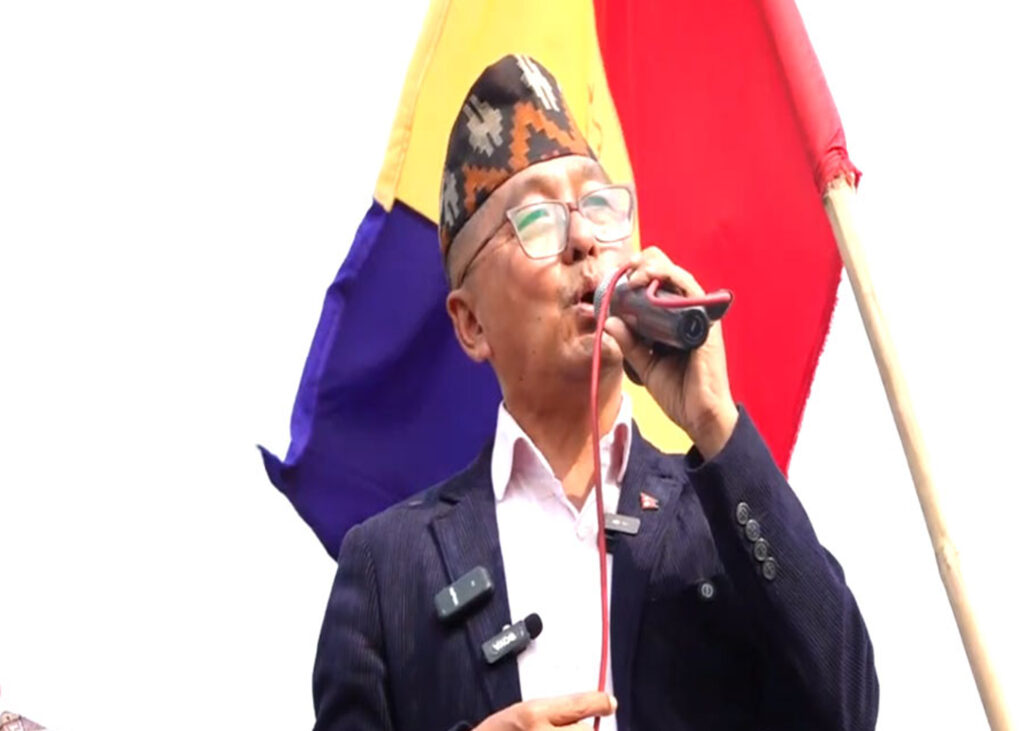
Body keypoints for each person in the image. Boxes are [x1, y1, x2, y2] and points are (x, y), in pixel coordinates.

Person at [312, 54, 878, 731]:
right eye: (538, 220)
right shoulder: (387, 566)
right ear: (470, 323)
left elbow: (846, 705)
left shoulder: (719, 515)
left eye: (600, 207)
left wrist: (715, 423)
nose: (583, 239)